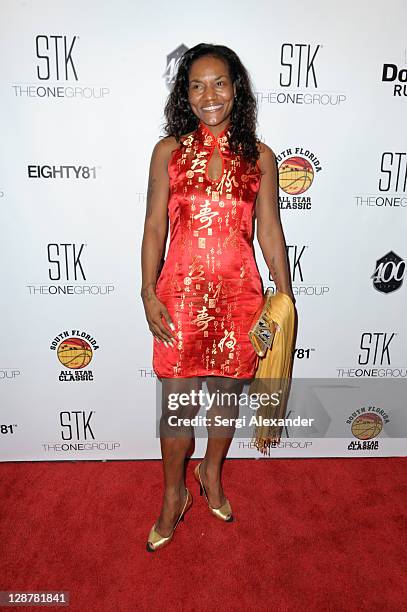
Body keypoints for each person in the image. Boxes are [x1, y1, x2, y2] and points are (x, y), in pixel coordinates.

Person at [140, 43, 294, 551]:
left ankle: (211, 473)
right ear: (185, 94)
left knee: (225, 405)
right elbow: (154, 225)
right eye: (197, 85)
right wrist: (147, 291)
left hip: (239, 300)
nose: (210, 95)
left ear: (236, 88)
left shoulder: (260, 157)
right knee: (177, 409)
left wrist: (284, 295)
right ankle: (171, 496)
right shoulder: (168, 151)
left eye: (220, 83)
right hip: (180, 298)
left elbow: (269, 229)